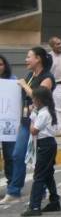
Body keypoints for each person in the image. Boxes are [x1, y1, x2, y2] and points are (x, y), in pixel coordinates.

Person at [1, 48, 55, 205]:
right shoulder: (31, 75)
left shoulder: (47, 78)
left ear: (38, 59)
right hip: (26, 121)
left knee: (40, 160)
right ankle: (14, 191)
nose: (26, 59)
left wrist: (24, 85)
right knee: (17, 155)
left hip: (41, 124)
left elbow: (39, 97)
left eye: (28, 57)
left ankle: (43, 190)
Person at [21, 87, 61, 217]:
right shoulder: (43, 111)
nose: (33, 100)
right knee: (48, 174)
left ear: (40, 100)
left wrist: (31, 118)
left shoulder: (43, 113)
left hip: (46, 145)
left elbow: (34, 130)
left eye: (35, 98)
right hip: (46, 144)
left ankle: (35, 206)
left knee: (39, 176)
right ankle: (55, 202)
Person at [0, 54, 16, 185]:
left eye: (0, 64)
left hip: (7, 124)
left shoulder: (13, 80)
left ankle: (11, 182)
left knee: (9, 154)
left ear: (5, 66)